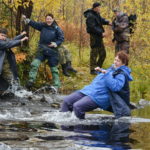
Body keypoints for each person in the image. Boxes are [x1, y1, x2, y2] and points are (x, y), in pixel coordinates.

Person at [60, 51, 133, 119]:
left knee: (77, 106)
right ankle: (63, 122)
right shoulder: (113, 68)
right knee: (67, 101)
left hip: (101, 96)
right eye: (115, 60)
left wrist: (106, 74)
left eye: (118, 61)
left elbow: (115, 87)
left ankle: (79, 127)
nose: (115, 62)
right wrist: (101, 71)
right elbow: (107, 76)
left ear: (123, 63)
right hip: (90, 90)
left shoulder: (122, 74)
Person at [22, 13, 64, 90]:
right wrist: (27, 20)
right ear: (46, 19)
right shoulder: (43, 26)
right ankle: (31, 81)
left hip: (52, 51)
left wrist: (55, 43)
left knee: (54, 69)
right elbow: (35, 24)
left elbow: (61, 38)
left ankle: (56, 86)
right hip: (42, 49)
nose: (48, 20)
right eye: (47, 19)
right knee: (35, 64)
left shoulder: (57, 28)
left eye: (50, 19)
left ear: (53, 19)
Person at [84, 2, 111, 75]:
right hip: (94, 37)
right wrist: (101, 33)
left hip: (99, 37)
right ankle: (92, 70)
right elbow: (92, 27)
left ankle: (98, 68)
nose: (100, 8)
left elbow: (101, 20)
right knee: (94, 53)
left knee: (103, 54)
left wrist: (108, 22)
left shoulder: (96, 14)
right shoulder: (90, 16)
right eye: (99, 7)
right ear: (95, 8)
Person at [0, 28, 28, 94]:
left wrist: (21, 35)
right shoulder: (1, 42)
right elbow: (9, 44)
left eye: (5, 36)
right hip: (2, 66)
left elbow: (12, 40)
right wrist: (21, 40)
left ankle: (11, 92)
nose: (3, 37)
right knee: (9, 79)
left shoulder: (4, 40)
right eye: (2, 35)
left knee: (10, 80)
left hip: (5, 66)